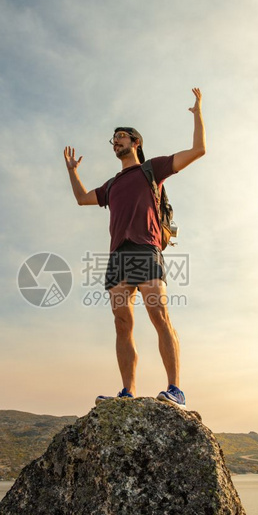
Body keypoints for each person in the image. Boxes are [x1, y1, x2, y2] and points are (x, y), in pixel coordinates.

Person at [64, 88, 206, 409]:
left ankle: (175, 389)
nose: (116, 141)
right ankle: (128, 391)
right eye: (113, 138)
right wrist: (73, 171)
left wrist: (197, 113)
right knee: (121, 323)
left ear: (135, 142)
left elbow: (199, 150)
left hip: (146, 250)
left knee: (159, 314)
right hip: (118, 258)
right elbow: (82, 198)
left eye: (122, 136)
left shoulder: (151, 170)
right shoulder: (112, 184)